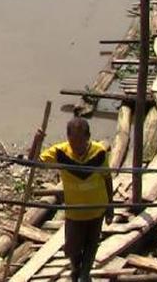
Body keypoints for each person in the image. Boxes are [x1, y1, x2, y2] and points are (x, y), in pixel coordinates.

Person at [37, 118, 114, 282]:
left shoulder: (99, 153)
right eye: (73, 142)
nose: (76, 146)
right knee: (72, 248)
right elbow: (34, 163)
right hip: (74, 212)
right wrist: (37, 142)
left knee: (91, 244)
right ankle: (76, 269)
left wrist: (110, 206)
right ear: (68, 138)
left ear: (88, 137)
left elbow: (107, 178)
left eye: (80, 141)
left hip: (96, 208)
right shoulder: (60, 152)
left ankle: (84, 275)